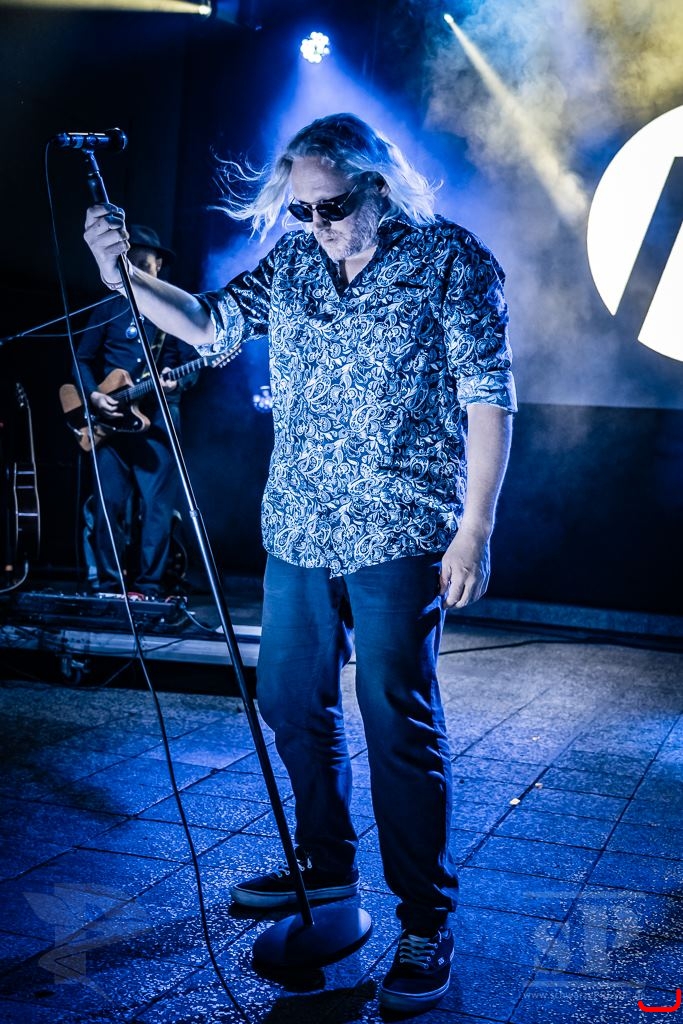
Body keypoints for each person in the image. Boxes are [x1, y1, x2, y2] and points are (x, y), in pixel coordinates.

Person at [83, 112, 516, 1013]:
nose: (318, 225)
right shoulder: (292, 265)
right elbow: (207, 325)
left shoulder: (449, 259)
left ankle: (425, 921)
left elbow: (488, 396)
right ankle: (326, 870)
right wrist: (120, 276)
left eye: (332, 207)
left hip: (400, 527)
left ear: (377, 184)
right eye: (302, 211)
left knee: (396, 720)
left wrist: (474, 527)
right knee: (288, 702)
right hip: (300, 526)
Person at [76, 224, 198, 598]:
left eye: (145, 264)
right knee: (108, 504)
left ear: (159, 265)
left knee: (157, 507)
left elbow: (191, 365)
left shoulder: (175, 306)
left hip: (158, 420)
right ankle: (110, 587)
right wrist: (93, 395)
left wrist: (175, 382)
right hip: (110, 421)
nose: (137, 270)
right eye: (131, 263)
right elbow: (82, 357)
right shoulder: (107, 307)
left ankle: (150, 587)